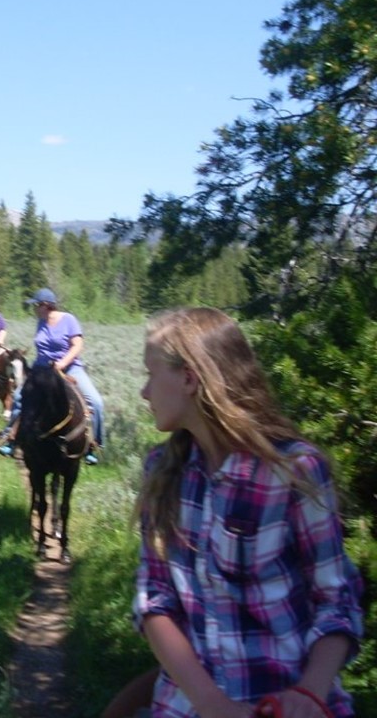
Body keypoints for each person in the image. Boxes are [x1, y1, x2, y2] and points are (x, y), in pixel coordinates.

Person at [118, 306, 363, 718]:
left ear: (189, 378)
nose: (144, 392)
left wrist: (308, 693)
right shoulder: (162, 472)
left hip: (288, 705)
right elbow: (155, 600)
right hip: (187, 707)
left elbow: (336, 598)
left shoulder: (294, 472)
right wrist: (213, 704)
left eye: (150, 373)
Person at [0, 287, 103, 465]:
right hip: (42, 370)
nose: (34, 309)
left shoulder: (69, 320)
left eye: (36, 306)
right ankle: (12, 438)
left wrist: (62, 363)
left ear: (45, 305)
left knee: (96, 402)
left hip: (69, 368)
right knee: (19, 397)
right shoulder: (41, 322)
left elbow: (77, 345)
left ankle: (93, 446)